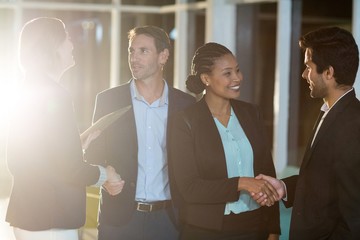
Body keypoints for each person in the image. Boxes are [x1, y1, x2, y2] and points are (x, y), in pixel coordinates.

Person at [5, 17, 124, 240]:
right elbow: (70, 169)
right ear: (53, 46)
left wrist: (75, 147)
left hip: (30, 217)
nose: (72, 44)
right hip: (50, 222)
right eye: (67, 38)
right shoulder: (55, 95)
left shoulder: (27, 89)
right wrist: (105, 174)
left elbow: (25, 157)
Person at [84, 25, 195, 240]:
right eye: (131, 51)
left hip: (169, 220)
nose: (134, 58)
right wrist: (105, 176)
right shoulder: (108, 100)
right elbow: (92, 155)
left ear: (163, 57)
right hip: (119, 220)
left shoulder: (185, 105)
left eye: (143, 51)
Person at [254, 26, 360, 239]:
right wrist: (284, 187)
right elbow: (325, 180)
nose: (304, 75)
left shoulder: (353, 124)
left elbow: (354, 215)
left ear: (329, 72)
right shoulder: (330, 112)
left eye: (308, 67)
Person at [167, 42, 280, 240]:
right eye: (227, 73)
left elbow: (267, 171)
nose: (237, 78)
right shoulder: (184, 121)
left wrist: (273, 229)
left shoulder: (251, 113)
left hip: (255, 228)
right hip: (205, 231)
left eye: (237, 70)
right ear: (206, 79)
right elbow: (189, 188)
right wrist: (241, 183)